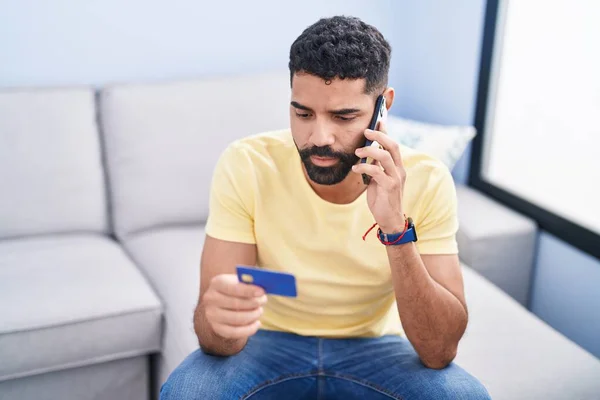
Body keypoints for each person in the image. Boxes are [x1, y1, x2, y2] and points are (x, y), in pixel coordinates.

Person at [160, 15, 491, 400]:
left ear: (383, 107)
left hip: (376, 348)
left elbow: (438, 352)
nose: (318, 138)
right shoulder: (246, 163)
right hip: (265, 342)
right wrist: (217, 321)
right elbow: (218, 341)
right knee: (188, 392)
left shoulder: (427, 179)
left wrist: (395, 229)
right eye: (302, 113)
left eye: (344, 116)